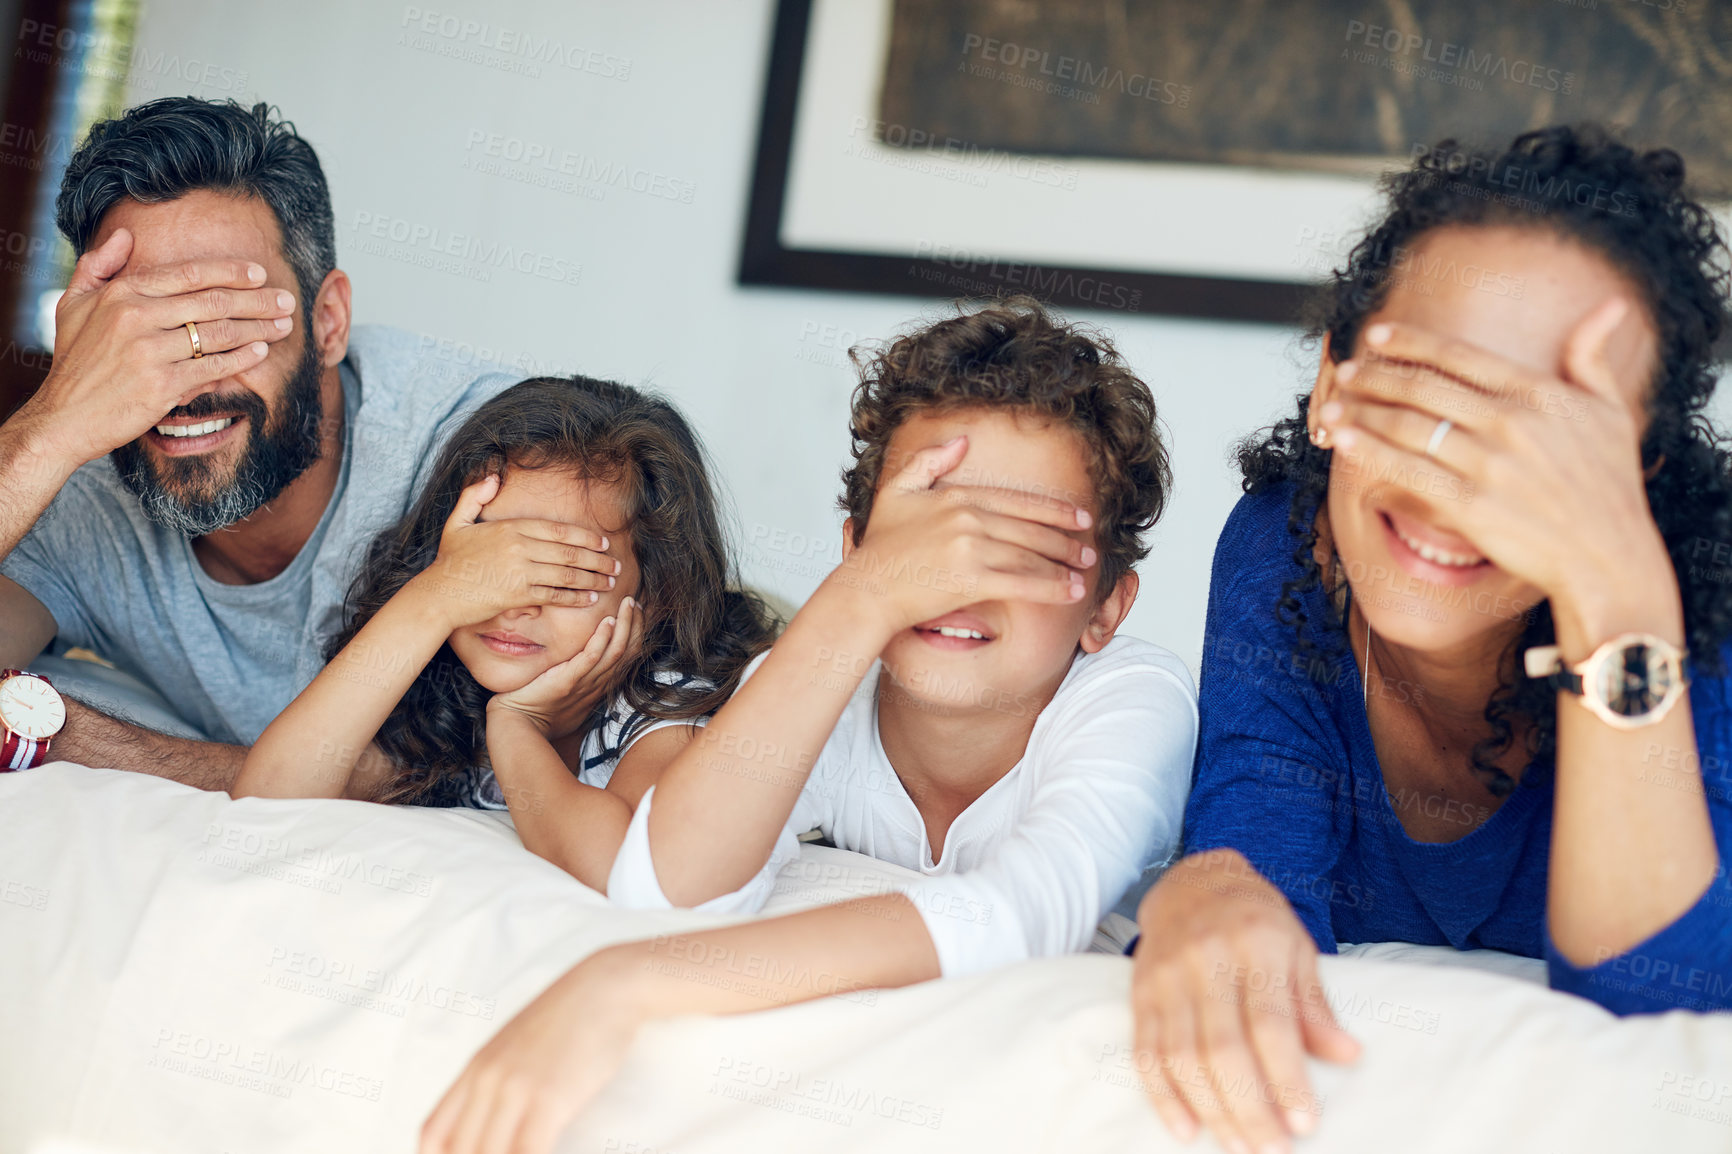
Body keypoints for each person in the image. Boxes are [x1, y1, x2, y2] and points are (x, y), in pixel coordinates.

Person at [418, 298, 1199, 1154]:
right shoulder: (827, 675)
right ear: (858, 550)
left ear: (1105, 609)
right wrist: (862, 600)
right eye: (925, 534)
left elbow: (1024, 915)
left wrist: (625, 983)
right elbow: (664, 886)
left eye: (1023, 547)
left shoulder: (1134, 698)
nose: (956, 582)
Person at [1129, 125, 1732, 1154]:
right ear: (1332, 383)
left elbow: (1662, 1012)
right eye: (1427, 391)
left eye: (1547, 440)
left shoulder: (1685, 617)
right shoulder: (1289, 545)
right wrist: (1208, 884)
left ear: (1637, 479)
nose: (1459, 482)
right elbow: (1260, 872)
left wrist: (1616, 588)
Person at [0, 97, 539, 790]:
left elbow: (465, 775)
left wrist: (79, 737)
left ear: (328, 321)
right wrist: (55, 419)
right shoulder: (78, 493)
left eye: (225, 318)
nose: (182, 385)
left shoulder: (490, 455)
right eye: (137, 329)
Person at [232, 376, 777, 890]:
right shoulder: (443, 689)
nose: (513, 606)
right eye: (487, 565)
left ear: (656, 595)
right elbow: (270, 799)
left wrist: (517, 726)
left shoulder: (671, 695)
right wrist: (433, 600)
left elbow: (620, 863)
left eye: (565, 575)